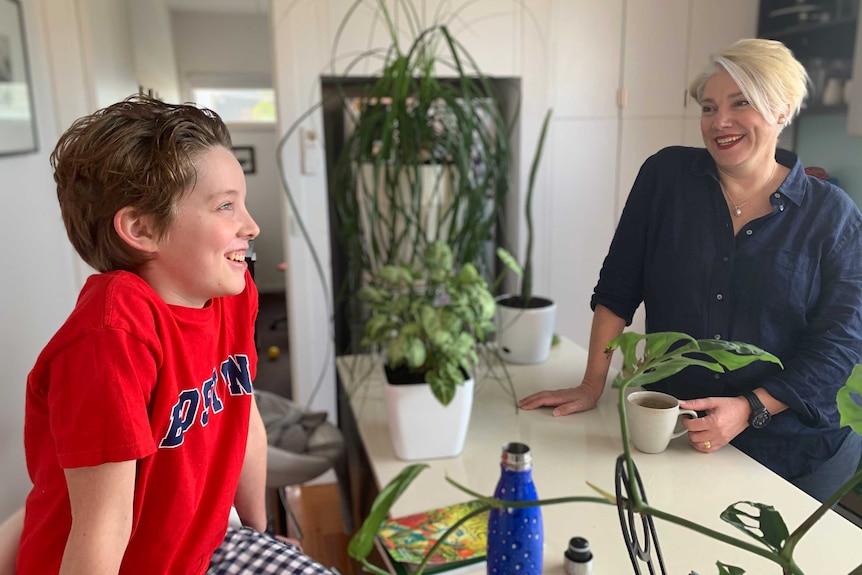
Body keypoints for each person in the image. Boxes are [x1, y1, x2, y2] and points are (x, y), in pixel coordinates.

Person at [519, 38, 862, 503]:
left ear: (781, 110)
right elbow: (618, 288)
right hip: (674, 434)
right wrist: (591, 384)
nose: (719, 122)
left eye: (741, 103)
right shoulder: (666, 177)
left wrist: (749, 408)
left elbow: (839, 343)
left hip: (792, 454)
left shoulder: (833, 216)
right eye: (708, 106)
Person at [16, 95, 335, 574]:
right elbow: (104, 525)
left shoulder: (232, 292)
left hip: (202, 549)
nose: (251, 225)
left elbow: (243, 418)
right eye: (226, 207)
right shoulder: (111, 336)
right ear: (141, 229)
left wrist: (260, 531)